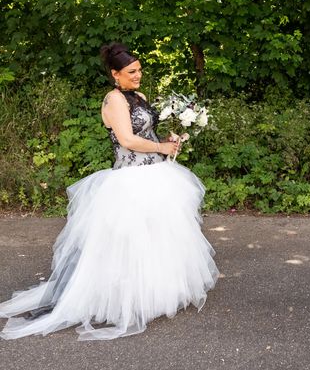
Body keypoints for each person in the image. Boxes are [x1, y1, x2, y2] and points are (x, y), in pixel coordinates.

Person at [0, 42, 219, 340]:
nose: (138, 75)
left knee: (159, 237)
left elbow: (146, 132)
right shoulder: (113, 101)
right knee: (129, 242)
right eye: (131, 72)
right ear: (115, 74)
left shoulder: (139, 96)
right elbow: (127, 140)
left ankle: (154, 294)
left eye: (140, 69)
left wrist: (168, 139)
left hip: (157, 174)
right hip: (129, 179)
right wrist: (160, 147)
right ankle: (123, 300)